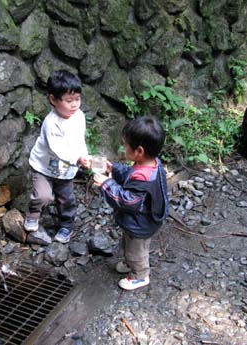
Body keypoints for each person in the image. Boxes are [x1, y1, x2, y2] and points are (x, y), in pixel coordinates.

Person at [93, 116, 169, 290]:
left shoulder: (144, 178)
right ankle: (130, 263)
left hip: (141, 223)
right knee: (129, 244)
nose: (124, 147)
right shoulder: (151, 164)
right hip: (140, 219)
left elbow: (128, 201)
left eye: (125, 144)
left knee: (136, 251)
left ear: (139, 151)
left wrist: (107, 184)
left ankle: (140, 275)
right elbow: (130, 173)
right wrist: (114, 169)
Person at [24, 70, 91, 243]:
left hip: (66, 169)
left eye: (77, 99)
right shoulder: (51, 123)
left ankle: (66, 225)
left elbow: (79, 140)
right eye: (69, 101)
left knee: (66, 198)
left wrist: (84, 155)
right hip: (43, 166)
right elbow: (57, 149)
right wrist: (77, 159)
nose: (75, 104)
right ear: (53, 100)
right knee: (42, 195)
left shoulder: (79, 117)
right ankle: (33, 214)